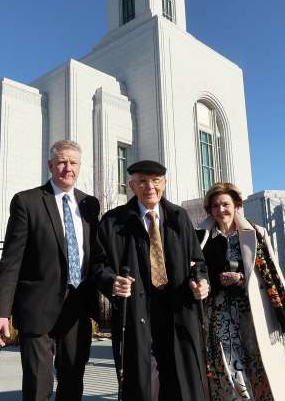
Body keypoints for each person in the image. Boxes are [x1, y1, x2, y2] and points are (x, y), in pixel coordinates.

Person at [0, 140, 101, 400]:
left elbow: (96, 257)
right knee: (38, 385)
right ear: (50, 165)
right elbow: (11, 261)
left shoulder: (90, 205)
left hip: (77, 309)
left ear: (79, 166)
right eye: (61, 162)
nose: (67, 168)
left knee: (72, 382)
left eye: (73, 163)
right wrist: (0, 312)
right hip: (37, 309)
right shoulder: (27, 202)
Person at [91, 160, 210, 401]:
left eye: (156, 181)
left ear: (164, 184)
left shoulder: (179, 217)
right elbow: (97, 266)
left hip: (177, 310)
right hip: (136, 311)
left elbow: (198, 262)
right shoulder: (113, 221)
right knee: (140, 384)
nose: (150, 187)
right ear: (132, 185)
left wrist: (202, 281)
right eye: (143, 181)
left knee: (180, 381)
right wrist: (111, 282)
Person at [198, 182, 285, 400]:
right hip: (219, 315)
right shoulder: (202, 238)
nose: (220, 210)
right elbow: (197, 271)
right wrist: (212, 282)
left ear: (236, 205)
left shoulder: (256, 233)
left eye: (225, 204)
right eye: (214, 206)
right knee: (230, 367)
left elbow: (269, 272)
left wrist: (241, 277)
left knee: (258, 365)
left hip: (252, 314)